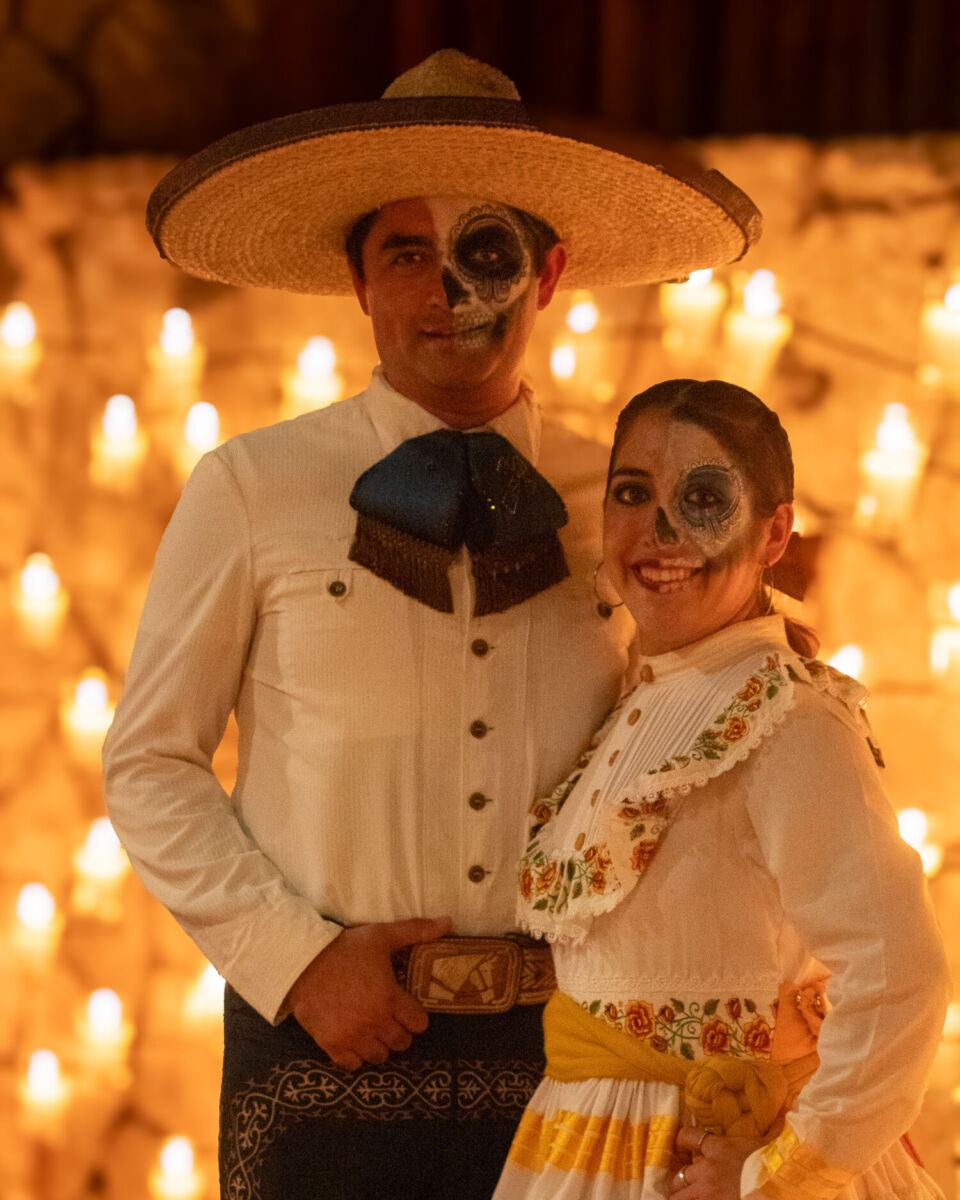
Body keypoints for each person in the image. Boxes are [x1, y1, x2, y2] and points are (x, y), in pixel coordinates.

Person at [102, 51, 762, 1200]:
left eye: (484, 252)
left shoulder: (626, 496)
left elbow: (706, 758)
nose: (446, 291)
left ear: (548, 272)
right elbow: (148, 764)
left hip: (586, 1061)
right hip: (328, 1042)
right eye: (408, 253)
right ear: (359, 282)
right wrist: (295, 963)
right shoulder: (250, 488)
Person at [495, 378, 950, 1200]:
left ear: (775, 533)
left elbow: (899, 973)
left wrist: (784, 1172)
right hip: (589, 1151)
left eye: (703, 497)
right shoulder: (643, 704)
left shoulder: (790, 720)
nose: (660, 528)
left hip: (706, 1160)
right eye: (633, 493)